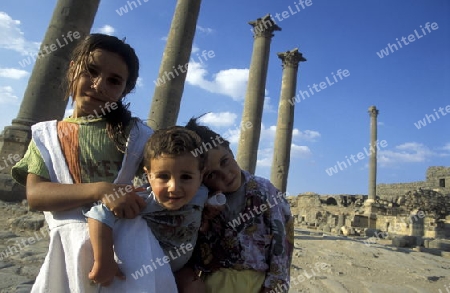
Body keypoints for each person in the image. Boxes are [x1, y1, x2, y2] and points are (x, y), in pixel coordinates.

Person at [11, 33, 177, 293]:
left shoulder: (138, 136)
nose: (99, 85)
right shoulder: (47, 136)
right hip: (68, 252)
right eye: (91, 71)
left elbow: (172, 171)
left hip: (132, 253)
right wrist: (101, 190)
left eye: (114, 81)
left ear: (126, 90)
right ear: (72, 68)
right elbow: (35, 195)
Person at [85, 126, 224, 292]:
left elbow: (216, 197)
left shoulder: (201, 193)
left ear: (201, 176)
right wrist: (104, 260)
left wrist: (216, 204)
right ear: (149, 175)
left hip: (180, 269)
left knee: (195, 287)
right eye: (163, 176)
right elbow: (98, 213)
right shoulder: (143, 199)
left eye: (186, 177)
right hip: (145, 269)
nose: (174, 187)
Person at [184, 117, 295, 293]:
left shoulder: (265, 190)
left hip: (255, 284)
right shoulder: (202, 200)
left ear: (230, 151)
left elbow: (281, 241)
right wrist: (204, 221)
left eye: (225, 162)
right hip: (213, 283)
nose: (225, 175)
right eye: (212, 175)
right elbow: (195, 248)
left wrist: (276, 285)